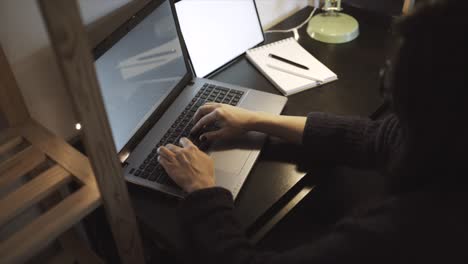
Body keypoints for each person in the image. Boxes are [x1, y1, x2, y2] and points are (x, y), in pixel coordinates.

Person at [156, 0, 468, 263]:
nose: (383, 76)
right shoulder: (447, 138)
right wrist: (255, 120)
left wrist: (203, 191)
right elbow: (373, 136)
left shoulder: (405, 229)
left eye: (391, 71)